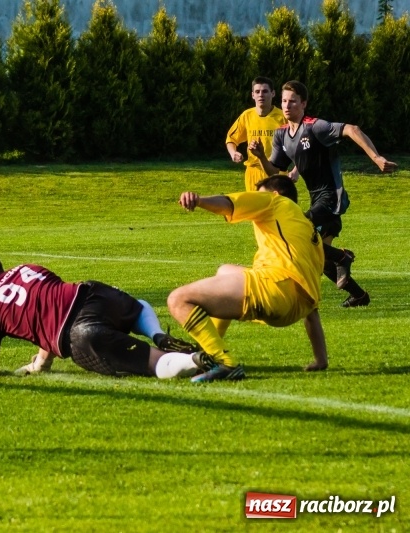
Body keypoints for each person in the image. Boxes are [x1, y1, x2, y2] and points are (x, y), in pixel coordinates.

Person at [249, 80, 398, 308]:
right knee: (320, 260)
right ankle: (359, 295)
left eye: (293, 101)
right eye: (284, 101)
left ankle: (343, 257)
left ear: (304, 104)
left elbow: (352, 129)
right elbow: (274, 170)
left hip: (331, 196)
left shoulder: (314, 126)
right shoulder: (281, 135)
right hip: (316, 198)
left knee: (298, 227)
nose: (287, 106)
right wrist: (260, 156)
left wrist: (376, 158)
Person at [167, 175, 328, 382]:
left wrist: (199, 200)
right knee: (225, 271)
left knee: (178, 300)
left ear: (275, 193)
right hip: (295, 308)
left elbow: (229, 203)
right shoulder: (308, 231)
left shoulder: (274, 201)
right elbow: (312, 312)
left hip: (273, 289)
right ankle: (207, 352)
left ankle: (224, 363)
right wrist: (320, 359)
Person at [0, 249, 205, 379]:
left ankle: (196, 361)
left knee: (153, 362)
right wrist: (41, 364)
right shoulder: (27, 268)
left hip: (79, 333)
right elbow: (51, 307)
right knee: (136, 305)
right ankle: (157, 333)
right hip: (92, 294)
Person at [225, 76, 287, 191]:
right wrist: (233, 153)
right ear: (252, 95)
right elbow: (231, 138)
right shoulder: (247, 115)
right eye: (257, 92)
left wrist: (295, 170)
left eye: (265, 91)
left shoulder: (283, 117)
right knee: (254, 208)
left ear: (273, 93)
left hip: (277, 173)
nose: (261, 95)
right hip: (253, 173)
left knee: (276, 208)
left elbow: (299, 145)